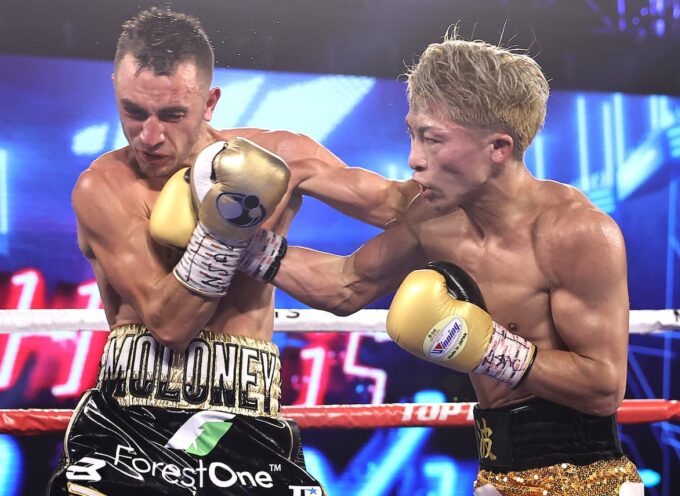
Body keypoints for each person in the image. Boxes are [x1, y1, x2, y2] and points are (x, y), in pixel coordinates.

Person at [47, 7, 417, 496]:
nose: (149, 135)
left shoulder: (280, 157)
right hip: (130, 420)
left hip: (247, 420)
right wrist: (225, 231)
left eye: (172, 115)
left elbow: (397, 206)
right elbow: (170, 324)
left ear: (209, 102)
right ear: (116, 87)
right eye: (133, 111)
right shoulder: (104, 186)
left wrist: (473, 176)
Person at [269, 34, 646, 495]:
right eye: (412, 133)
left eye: (432, 138)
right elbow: (346, 285)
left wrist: (489, 349)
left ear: (498, 148)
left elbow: (604, 387)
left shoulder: (577, 233)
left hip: (590, 482)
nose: (413, 159)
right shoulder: (434, 217)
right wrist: (238, 246)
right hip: (493, 473)